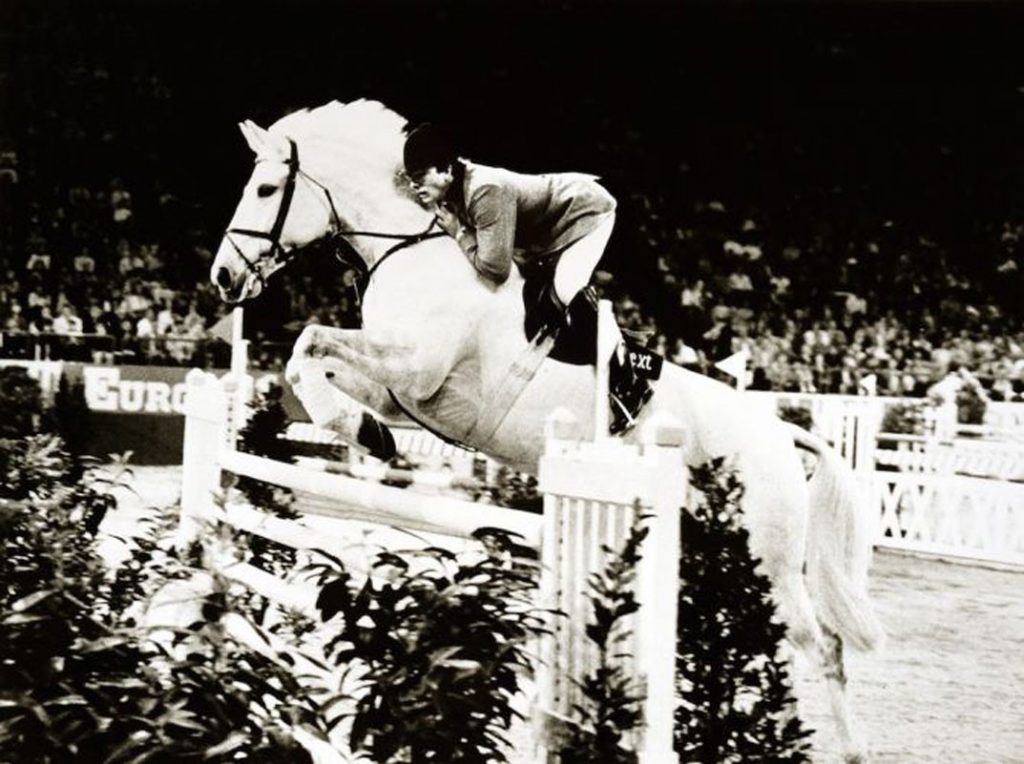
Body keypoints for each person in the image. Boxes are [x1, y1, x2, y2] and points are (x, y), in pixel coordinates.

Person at [402, 123, 657, 433]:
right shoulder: (452, 187)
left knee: (565, 289)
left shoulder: (484, 189)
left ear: (444, 170)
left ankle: (631, 384)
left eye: (419, 178)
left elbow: (495, 270)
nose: (415, 186)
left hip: (585, 213)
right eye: (411, 179)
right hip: (547, 232)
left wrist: (459, 233)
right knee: (542, 302)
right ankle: (620, 341)